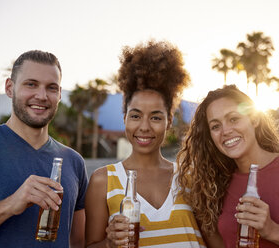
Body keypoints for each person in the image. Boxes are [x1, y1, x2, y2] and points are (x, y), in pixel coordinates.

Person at [177, 85, 279, 248]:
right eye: (215, 126)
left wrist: (273, 231)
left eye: (234, 119)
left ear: (255, 119)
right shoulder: (213, 188)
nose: (226, 130)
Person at [85, 40, 206, 247]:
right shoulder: (102, 181)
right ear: (124, 118)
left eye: (156, 117)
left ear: (169, 121)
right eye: (135, 116)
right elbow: (90, 245)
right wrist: (110, 243)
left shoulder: (190, 176)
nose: (144, 127)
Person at [0, 50, 88, 247]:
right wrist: (10, 204)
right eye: (31, 84)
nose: (42, 96)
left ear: (59, 94)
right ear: (10, 88)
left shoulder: (73, 161)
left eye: (51, 88)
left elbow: (80, 243)